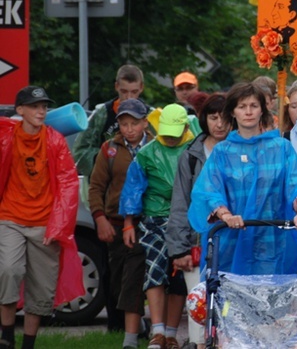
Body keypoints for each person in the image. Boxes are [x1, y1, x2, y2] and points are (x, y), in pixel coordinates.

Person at [187, 82, 297, 276]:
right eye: (242, 106)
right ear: (233, 112)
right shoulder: (222, 152)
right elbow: (209, 190)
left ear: (263, 110)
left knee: (268, 298)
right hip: (231, 241)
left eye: (254, 106)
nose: (248, 112)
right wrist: (226, 215)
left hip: (270, 240)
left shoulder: (281, 148)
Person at [0, 86, 84, 349]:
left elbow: (69, 184)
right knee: (8, 271)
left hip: (45, 223)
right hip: (10, 217)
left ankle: (28, 344)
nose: (41, 111)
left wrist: (58, 227)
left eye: (44, 107)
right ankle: (6, 337)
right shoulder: (7, 137)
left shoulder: (55, 140)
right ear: (20, 110)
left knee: (41, 291)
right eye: (34, 106)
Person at [120, 104, 194, 349]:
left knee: (180, 277)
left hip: (186, 220)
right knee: (154, 271)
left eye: (175, 132)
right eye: (166, 133)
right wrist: (129, 223)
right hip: (154, 219)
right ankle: (158, 331)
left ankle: (172, 334)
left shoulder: (195, 149)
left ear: (185, 127)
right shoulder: (147, 153)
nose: (170, 138)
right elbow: (132, 189)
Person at [88, 99, 154, 349]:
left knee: (135, 279)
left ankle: (131, 337)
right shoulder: (109, 149)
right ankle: (140, 323)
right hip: (115, 221)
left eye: (134, 123)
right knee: (117, 283)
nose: (129, 129)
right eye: (124, 124)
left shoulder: (156, 145)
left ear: (145, 122)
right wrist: (99, 217)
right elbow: (96, 187)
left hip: (146, 220)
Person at [166, 94, 228, 349]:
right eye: (213, 118)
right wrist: (178, 247)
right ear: (204, 120)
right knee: (199, 306)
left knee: (228, 311)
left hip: (231, 241)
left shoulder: (239, 151)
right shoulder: (190, 156)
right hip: (196, 242)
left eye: (225, 118)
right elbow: (180, 202)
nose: (220, 124)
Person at [73, 64, 148, 180]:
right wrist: (107, 158)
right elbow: (80, 153)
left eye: (134, 92)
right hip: (106, 183)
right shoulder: (101, 114)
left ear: (141, 87)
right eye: (124, 91)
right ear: (116, 86)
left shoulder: (151, 115)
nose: (129, 97)